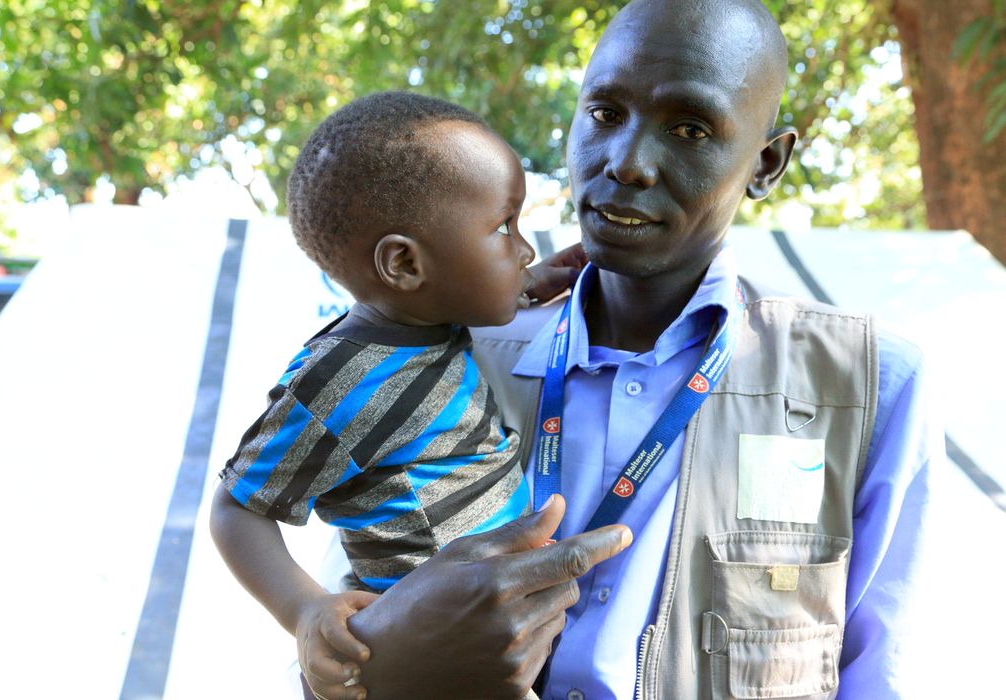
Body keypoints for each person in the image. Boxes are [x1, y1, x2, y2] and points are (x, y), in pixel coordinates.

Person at [343, 1, 939, 699]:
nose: (625, 163)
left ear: (767, 163)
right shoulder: (448, 358)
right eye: (604, 114)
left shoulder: (868, 385)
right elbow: (336, 645)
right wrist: (391, 654)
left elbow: (881, 675)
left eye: (689, 128)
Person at [209, 91, 632, 700]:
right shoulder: (341, 384)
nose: (525, 247)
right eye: (503, 227)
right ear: (404, 264)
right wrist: (305, 614)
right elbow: (236, 508)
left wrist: (528, 282)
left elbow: (470, 286)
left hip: (508, 632)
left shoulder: (427, 321)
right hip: (441, 661)